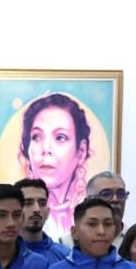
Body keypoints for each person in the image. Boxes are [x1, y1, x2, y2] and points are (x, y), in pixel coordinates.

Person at [18, 93, 91, 236]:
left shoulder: (89, 214)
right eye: (37, 137)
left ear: (81, 151)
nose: (46, 149)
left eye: (60, 137)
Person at [15, 178, 71, 266]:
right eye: (28, 203)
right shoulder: (3, 256)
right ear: (15, 211)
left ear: (48, 212)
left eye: (42, 203)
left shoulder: (66, 257)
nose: (37, 209)